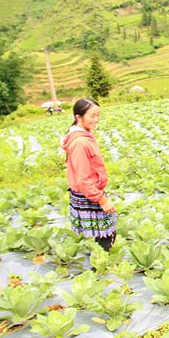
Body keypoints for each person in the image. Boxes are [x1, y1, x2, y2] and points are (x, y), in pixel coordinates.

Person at [62, 98, 117, 252]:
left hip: (90, 191)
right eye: (92, 116)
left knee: (102, 233)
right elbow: (83, 179)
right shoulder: (80, 142)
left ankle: (97, 262)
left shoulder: (83, 136)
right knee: (107, 233)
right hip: (90, 193)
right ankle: (98, 267)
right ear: (78, 117)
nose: (96, 120)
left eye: (98, 115)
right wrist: (102, 200)